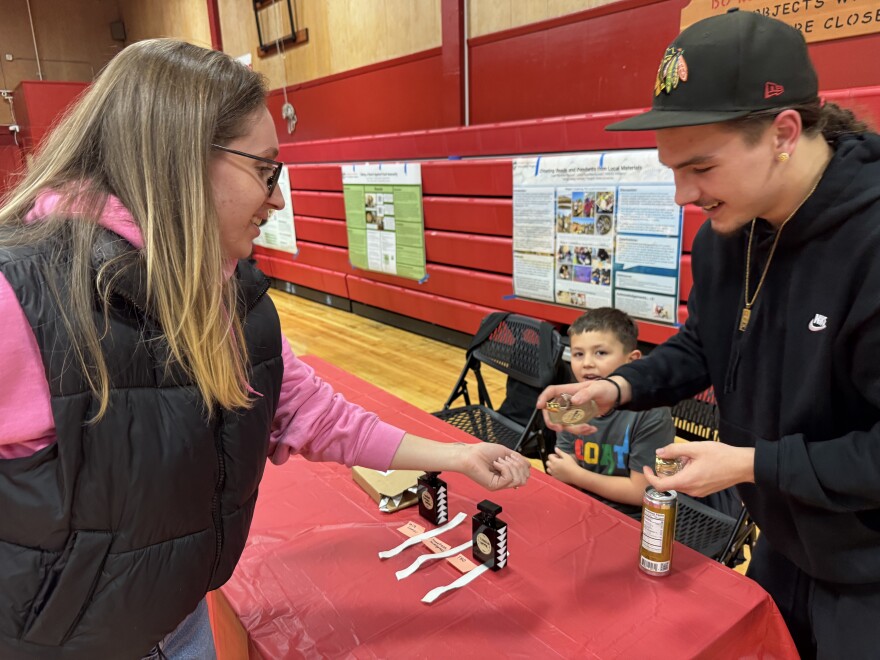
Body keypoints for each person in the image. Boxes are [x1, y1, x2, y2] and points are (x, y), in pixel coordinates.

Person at [0, 39, 530, 659]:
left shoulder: (230, 299)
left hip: (178, 620)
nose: (277, 198)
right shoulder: (22, 296)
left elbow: (310, 412)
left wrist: (457, 456)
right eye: (264, 169)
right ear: (181, 158)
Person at [539, 9, 879, 657]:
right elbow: (708, 343)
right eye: (671, 169)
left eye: (700, 168)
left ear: (783, 132)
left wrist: (753, 463)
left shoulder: (870, 244)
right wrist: (616, 388)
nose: (681, 194)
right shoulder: (729, 232)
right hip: (785, 540)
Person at [545, 308, 674, 518]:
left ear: (632, 360)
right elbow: (562, 468)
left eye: (600, 353)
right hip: (580, 505)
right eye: (578, 354)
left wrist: (577, 476)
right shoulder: (569, 401)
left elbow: (640, 492)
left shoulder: (652, 414)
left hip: (630, 517)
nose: (587, 363)